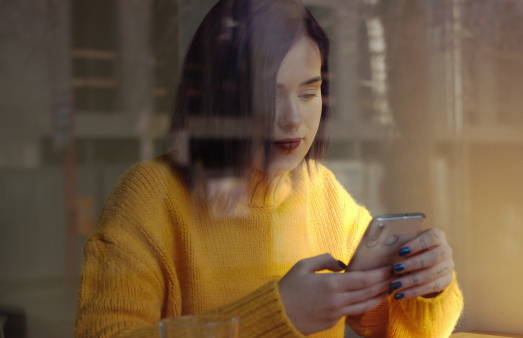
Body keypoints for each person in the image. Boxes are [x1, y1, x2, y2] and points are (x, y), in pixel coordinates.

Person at [75, 0, 464, 337]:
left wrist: (427, 286)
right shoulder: (150, 196)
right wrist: (276, 316)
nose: (293, 119)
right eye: (269, 95)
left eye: (309, 93)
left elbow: (405, 332)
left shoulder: (320, 192)